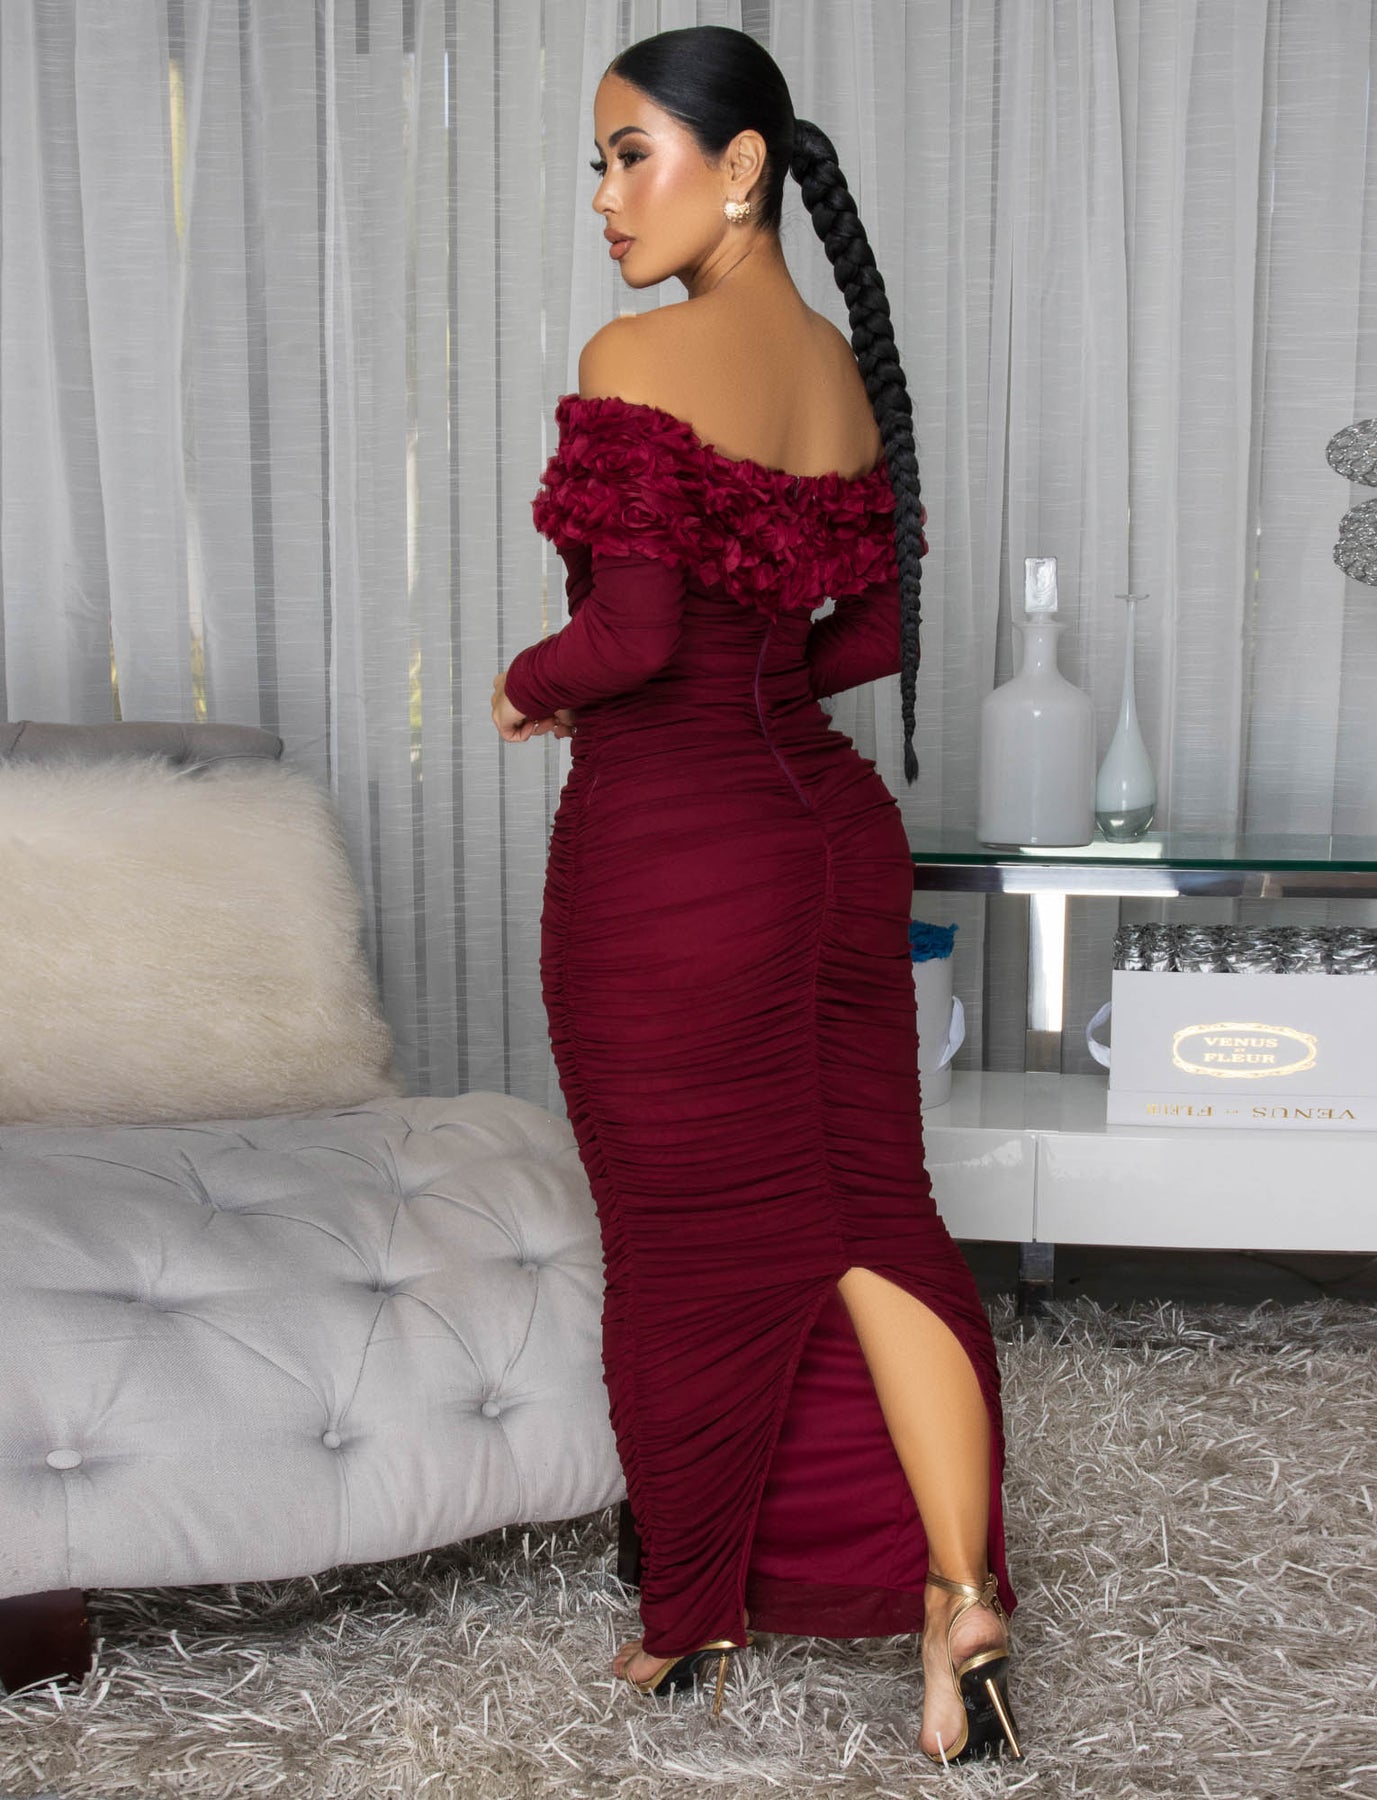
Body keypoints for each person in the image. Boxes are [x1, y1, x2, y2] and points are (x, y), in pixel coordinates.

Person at [490, 25, 1020, 1767]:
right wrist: (764, 667)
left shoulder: (637, 359)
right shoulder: (845, 381)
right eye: (597, 163)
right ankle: (960, 1596)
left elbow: (632, 637)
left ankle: (691, 1612)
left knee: (689, 1247)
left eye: (629, 155)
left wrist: (525, 683)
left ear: (741, 169)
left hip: (679, 857)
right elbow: (874, 631)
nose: (603, 198)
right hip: (832, 838)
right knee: (876, 1218)